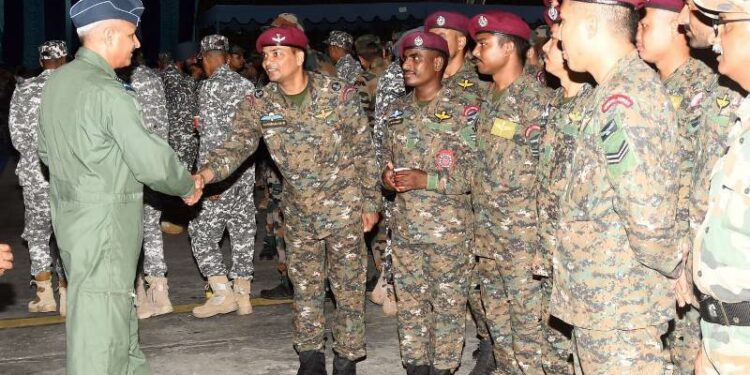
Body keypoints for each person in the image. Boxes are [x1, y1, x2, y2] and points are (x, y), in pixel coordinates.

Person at [194, 26, 381, 375]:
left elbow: (363, 151)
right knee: (306, 290)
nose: (268, 62)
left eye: (276, 54)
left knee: (349, 291)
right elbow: (236, 146)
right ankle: (310, 359)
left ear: (298, 56)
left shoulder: (337, 94)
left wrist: (371, 203)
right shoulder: (260, 103)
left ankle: (347, 358)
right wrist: (204, 174)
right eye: (265, 56)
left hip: (344, 210)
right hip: (300, 213)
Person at [38, 1, 203, 373]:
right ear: (108, 34)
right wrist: (184, 184)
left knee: (116, 315)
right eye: (130, 35)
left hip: (71, 219)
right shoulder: (108, 91)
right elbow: (148, 156)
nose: (137, 43)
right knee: (100, 332)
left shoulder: (58, 82)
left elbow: (46, 153)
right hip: (107, 221)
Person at [552, 0, 683, 373]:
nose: (558, 33)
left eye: (564, 21)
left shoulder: (626, 97)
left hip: (620, 306)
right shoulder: (610, 90)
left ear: (592, 25)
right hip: (603, 303)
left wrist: (673, 271)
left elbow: (647, 211)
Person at [381, 30, 477, 375]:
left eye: (415, 58)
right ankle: (416, 367)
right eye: (404, 58)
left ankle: (443, 369)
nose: (406, 65)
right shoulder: (395, 111)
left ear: (438, 63)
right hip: (406, 229)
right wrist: (386, 179)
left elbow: (475, 174)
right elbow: (385, 162)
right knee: (410, 306)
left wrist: (428, 179)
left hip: (448, 233)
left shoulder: (464, 110)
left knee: (449, 307)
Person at [636, 1, 716, 373]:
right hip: (655, 247)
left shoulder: (705, 88)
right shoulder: (648, 87)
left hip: (687, 254)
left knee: (688, 355)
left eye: (646, 24)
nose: (638, 34)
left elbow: (702, 180)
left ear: (675, 28)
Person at [468, 11, 550, 375]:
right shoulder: (486, 100)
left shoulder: (538, 101)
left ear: (509, 47)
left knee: (530, 334)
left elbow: (550, 175)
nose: (474, 52)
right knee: (500, 331)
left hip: (523, 241)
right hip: (487, 239)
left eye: (483, 44)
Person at [423, 12, 494, 374]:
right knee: (442, 286)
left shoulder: (479, 85)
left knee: (477, 282)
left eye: (441, 33)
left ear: (461, 42)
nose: (433, 38)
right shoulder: (424, 81)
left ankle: (490, 340)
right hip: (433, 203)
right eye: (429, 33)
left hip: (471, 199)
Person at [689, 0, 750, 373]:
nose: (715, 38)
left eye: (725, 23)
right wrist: (713, 341)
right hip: (727, 339)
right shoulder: (744, 115)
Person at [535, 15, 593, 375]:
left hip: (580, 255)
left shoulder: (595, 104)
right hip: (549, 249)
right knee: (552, 347)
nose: (543, 48)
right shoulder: (552, 102)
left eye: (555, 42)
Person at [189, 34, 257, 319]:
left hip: (221, 175)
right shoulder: (247, 85)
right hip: (245, 175)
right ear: (227, 56)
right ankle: (243, 295)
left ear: (206, 59)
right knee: (242, 233)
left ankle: (221, 292)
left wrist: (210, 179)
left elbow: (212, 139)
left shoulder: (209, 87)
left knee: (200, 233)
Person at [8, 40, 68, 316]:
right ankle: (67, 293)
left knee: (38, 233)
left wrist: (33, 158)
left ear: (42, 60)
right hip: (71, 174)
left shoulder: (25, 90)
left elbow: (17, 137)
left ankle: (45, 296)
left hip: (35, 175)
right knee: (68, 233)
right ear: (65, 58)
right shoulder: (76, 89)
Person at [129, 51, 175, 320]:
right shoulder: (154, 78)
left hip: (130, 169)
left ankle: (139, 298)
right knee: (152, 231)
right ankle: (161, 292)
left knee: (130, 233)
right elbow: (163, 126)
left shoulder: (115, 81)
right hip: (154, 166)